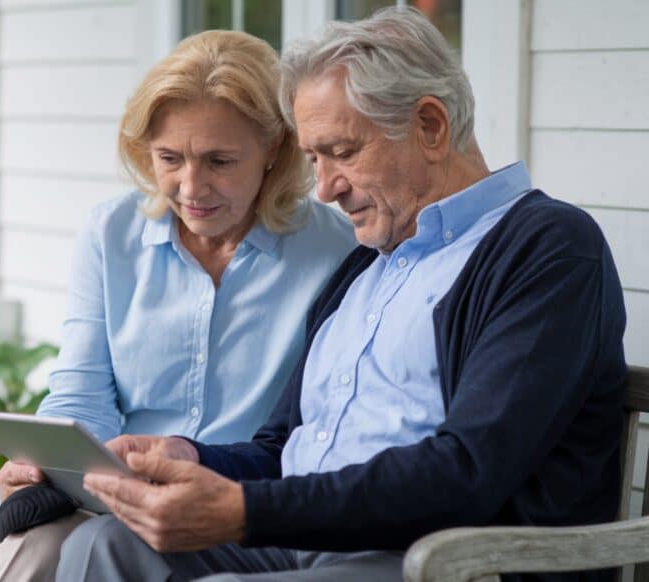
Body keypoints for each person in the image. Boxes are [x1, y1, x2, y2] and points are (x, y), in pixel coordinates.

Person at [56, 7, 628, 582]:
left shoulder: (545, 248)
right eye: (313, 159)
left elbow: (470, 471)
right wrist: (194, 456)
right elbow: (283, 448)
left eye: (343, 152)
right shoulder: (366, 264)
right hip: (304, 540)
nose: (325, 188)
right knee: (103, 545)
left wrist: (244, 511)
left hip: (442, 560)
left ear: (430, 126)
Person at [0, 30, 356, 582]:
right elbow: (81, 391)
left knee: (95, 547)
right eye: (170, 158)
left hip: (240, 510)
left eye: (219, 161)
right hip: (115, 496)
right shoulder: (109, 233)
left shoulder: (336, 249)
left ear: (273, 151)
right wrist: (44, 467)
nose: (192, 187)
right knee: (27, 551)